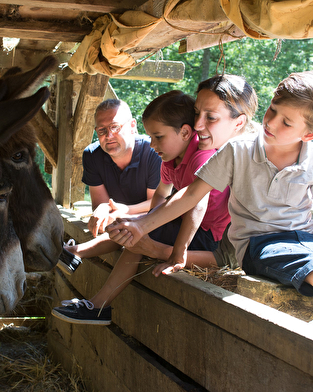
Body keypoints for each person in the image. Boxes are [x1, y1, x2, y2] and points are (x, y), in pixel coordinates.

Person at [52, 75, 258, 325]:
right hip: (195, 226)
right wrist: (146, 220)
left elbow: (195, 200)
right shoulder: (173, 158)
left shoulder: (205, 155)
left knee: (137, 239)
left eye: (158, 137)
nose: (199, 125)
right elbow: (162, 193)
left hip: (211, 237)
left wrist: (169, 246)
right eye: (196, 114)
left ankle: (98, 305)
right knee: (132, 229)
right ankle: (76, 255)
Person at [108, 71, 313, 297]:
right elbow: (191, 195)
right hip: (261, 245)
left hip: (305, 240)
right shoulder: (238, 150)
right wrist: (141, 225)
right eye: (272, 109)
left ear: (308, 135)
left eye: (286, 122)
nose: (271, 121)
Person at [57, 98, 162, 274]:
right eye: (102, 130)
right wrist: (105, 209)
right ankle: (71, 254)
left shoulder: (153, 152)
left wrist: (124, 211)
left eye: (115, 127)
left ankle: (73, 252)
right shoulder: (92, 154)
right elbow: (99, 206)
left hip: (156, 219)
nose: (109, 135)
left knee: (136, 225)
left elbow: (157, 204)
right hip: (119, 221)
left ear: (132, 125)